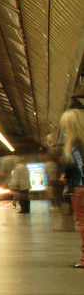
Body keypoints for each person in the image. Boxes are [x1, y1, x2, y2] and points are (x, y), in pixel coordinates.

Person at [60, 109, 84, 267]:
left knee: (82, 221)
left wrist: (65, 175)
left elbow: (77, 165)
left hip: (80, 187)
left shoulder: (74, 142)